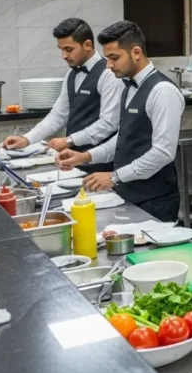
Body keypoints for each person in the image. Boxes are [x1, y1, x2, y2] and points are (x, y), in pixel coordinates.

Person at [57, 21, 185, 223]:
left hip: (154, 201)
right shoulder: (128, 85)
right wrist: (84, 156)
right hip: (128, 196)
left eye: (114, 58)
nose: (108, 65)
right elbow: (124, 137)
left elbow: (163, 153)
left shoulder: (162, 91)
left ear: (136, 52)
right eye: (107, 58)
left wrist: (114, 177)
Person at [3, 18, 123, 172]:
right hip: (74, 161)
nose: (63, 55)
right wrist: (27, 139)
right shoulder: (71, 74)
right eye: (61, 49)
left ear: (87, 45)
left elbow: (108, 124)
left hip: (102, 164)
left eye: (68, 49)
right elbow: (58, 115)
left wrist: (69, 140)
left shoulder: (108, 73)